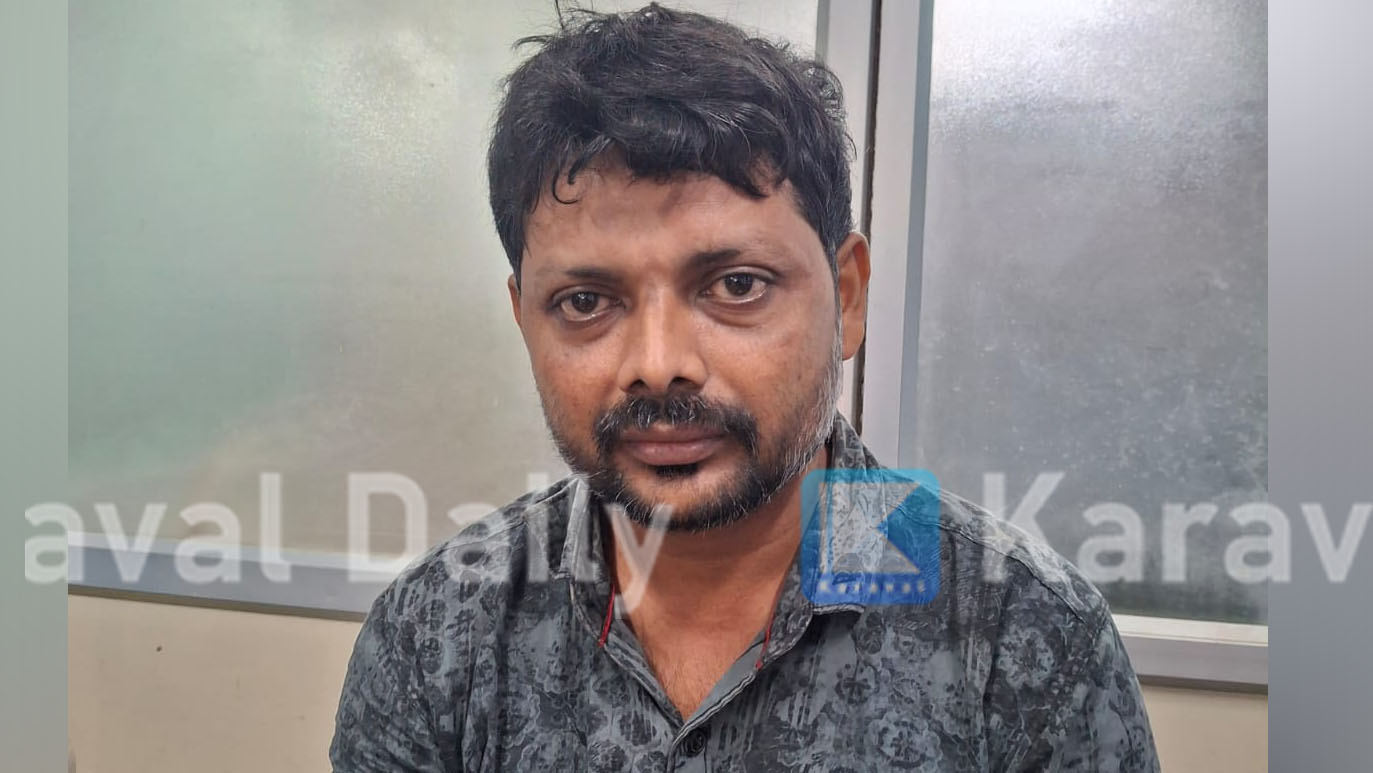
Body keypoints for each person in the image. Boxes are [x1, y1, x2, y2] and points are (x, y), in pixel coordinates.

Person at [330, 4, 1159, 770]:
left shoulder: (1021, 639)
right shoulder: (437, 634)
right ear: (525, 319)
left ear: (848, 298)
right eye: (585, 301)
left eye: (736, 285)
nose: (658, 363)